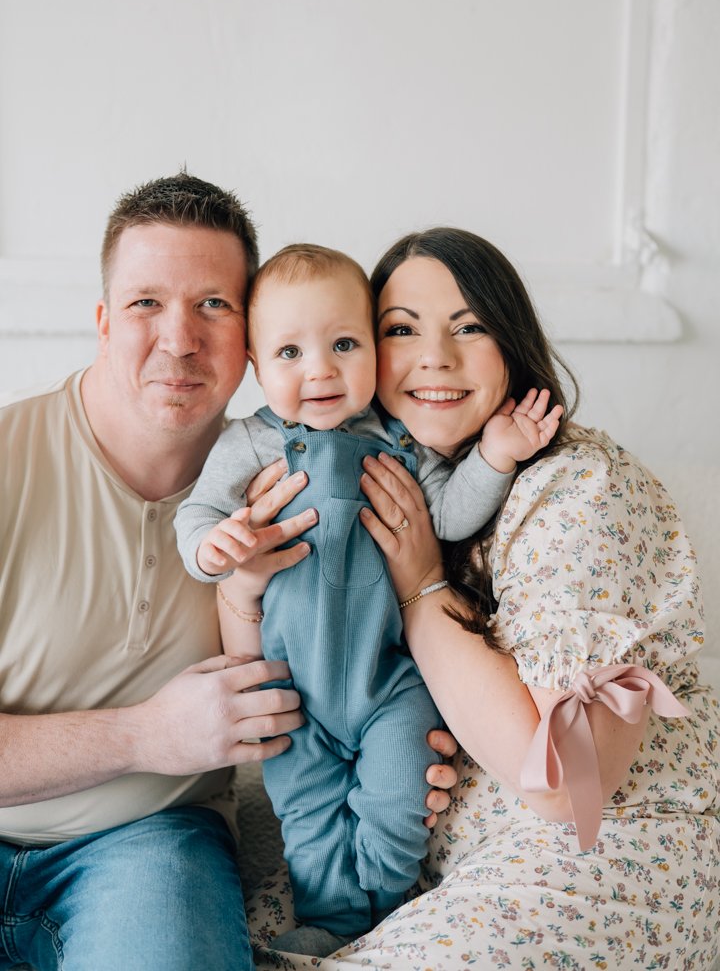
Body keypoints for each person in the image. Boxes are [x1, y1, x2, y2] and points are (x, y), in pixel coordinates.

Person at [0, 176, 458, 971]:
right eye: (146, 302)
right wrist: (144, 733)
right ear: (103, 322)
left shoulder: (300, 469)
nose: (179, 339)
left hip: (147, 845)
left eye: (212, 304)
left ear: (253, 337)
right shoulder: (11, 460)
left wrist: (419, 749)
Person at [246, 227, 719, 970]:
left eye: (470, 326)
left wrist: (421, 585)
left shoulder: (576, 487)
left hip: (602, 850)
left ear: (513, 342)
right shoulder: (389, 471)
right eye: (400, 330)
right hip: (418, 847)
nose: (434, 357)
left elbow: (570, 782)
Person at [175, 243, 561, 957]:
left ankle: (385, 909)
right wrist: (212, 546)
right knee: (308, 813)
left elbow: (447, 518)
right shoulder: (252, 443)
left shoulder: (400, 440)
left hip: (392, 682)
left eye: (345, 344)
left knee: (400, 797)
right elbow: (195, 515)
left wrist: (495, 457)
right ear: (257, 367)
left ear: (375, 357)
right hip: (296, 693)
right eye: (289, 352)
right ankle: (334, 918)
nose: (319, 369)